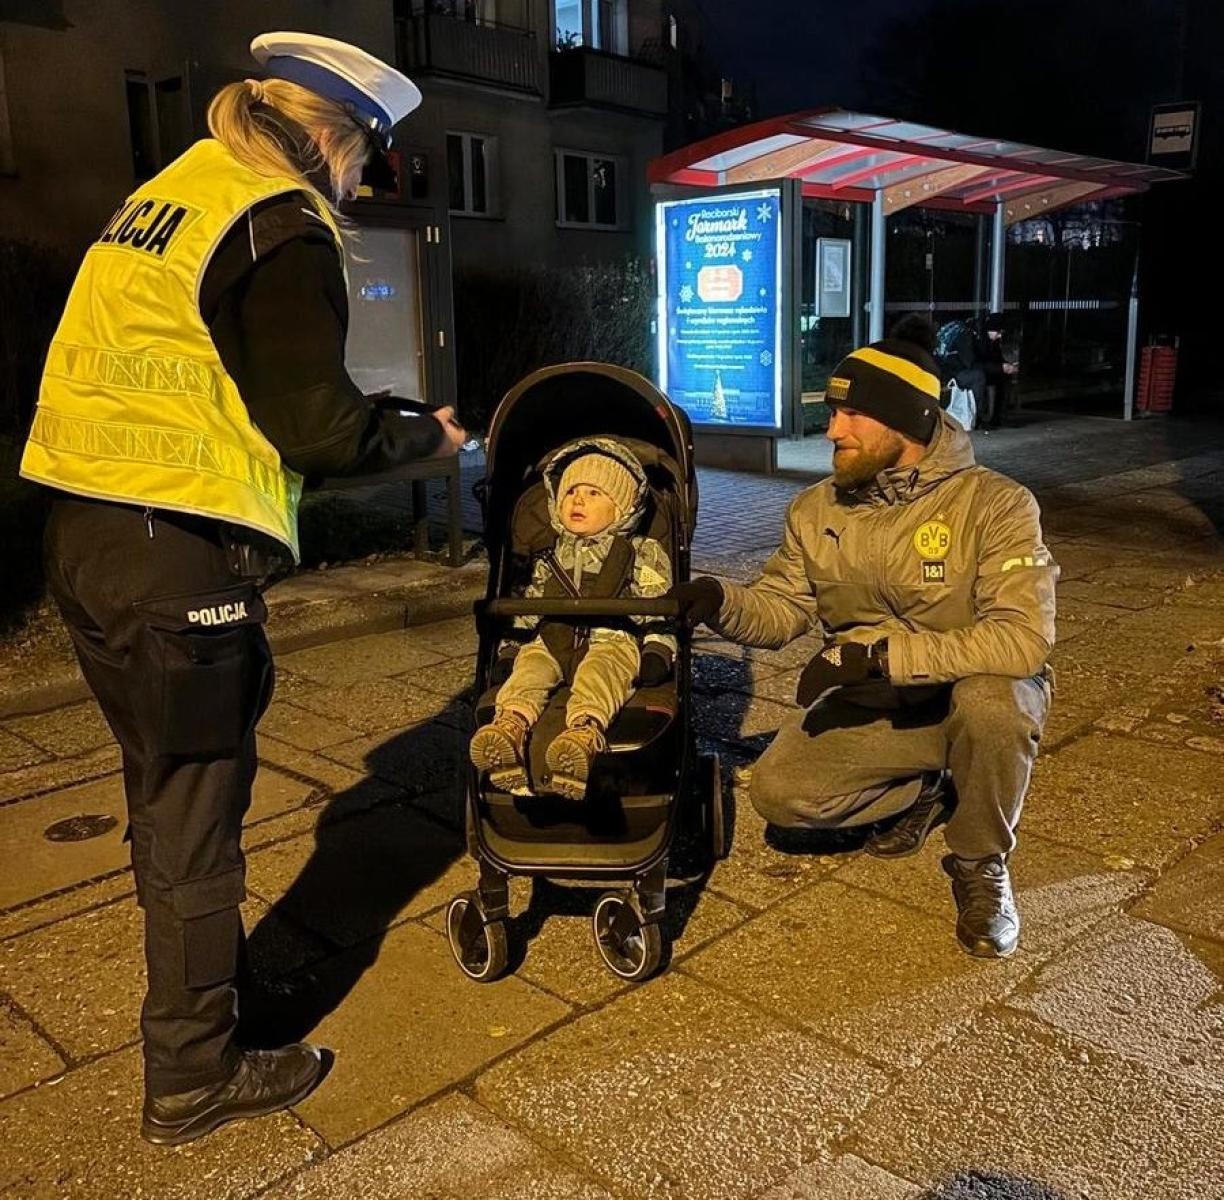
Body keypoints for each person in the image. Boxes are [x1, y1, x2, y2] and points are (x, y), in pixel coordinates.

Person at [19, 32, 466, 1145]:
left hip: (89, 535)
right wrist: (426, 439)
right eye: (367, 159)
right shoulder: (279, 220)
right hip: (177, 558)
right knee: (193, 819)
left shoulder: (175, 192)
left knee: (160, 794)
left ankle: (204, 997)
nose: (364, 183)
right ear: (332, 139)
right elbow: (316, 428)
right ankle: (192, 1072)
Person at [672, 318, 1056, 959]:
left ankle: (980, 861)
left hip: (972, 688)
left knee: (995, 705)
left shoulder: (998, 505)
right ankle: (930, 782)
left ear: (905, 420)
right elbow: (784, 606)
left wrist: (876, 657)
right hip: (883, 701)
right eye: (833, 412)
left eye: (851, 414)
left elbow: (1022, 640)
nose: (832, 431)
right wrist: (718, 600)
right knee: (780, 795)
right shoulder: (818, 508)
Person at [470, 438, 674, 800]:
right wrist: (510, 647)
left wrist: (659, 647)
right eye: (571, 492)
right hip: (550, 637)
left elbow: (659, 605)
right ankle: (510, 728)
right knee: (527, 672)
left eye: (594, 493)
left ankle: (582, 734)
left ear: (623, 508)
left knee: (602, 676)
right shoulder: (547, 553)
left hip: (612, 638)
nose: (578, 500)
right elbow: (528, 602)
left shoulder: (640, 553)